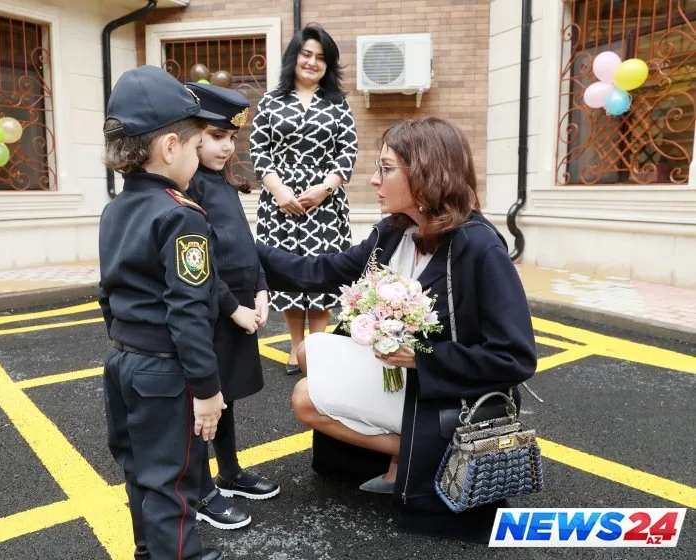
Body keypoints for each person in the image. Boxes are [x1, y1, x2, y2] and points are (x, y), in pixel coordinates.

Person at [256, 117, 538, 543]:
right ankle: (409, 452)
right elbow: (320, 272)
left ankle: (419, 454)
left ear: (425, 174)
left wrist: (421, 356)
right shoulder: (393, 232)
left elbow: (515, 357)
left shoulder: (478, 247)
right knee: (308, 350)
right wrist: (242, 249)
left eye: (386, 168)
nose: (373, 180)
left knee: (304, 397)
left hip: (449, 392)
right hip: (403, 378)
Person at [98, 65, 227, 560]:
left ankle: (150, 552)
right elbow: (190, 313)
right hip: (165, 371)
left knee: (139, 472)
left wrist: (126, 344)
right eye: (196, 146)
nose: (198, 157)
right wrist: (208, 390)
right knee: (172, 480)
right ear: (171, 147)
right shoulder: (180, 215)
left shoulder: (114, 210)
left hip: (122, 361)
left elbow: (106, 293)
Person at [185, 82, 281, 531]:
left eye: (231, 138)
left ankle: (229, 472)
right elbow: (199, 264)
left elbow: (244, 242)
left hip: (240, 305)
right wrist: (231, 308)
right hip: (213, 311)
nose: (226, 147)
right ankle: (200, 488)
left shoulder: (221, 181)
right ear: (192, 136)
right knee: (204, 401)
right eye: (216, 136)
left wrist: (260, 289)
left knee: (226, 397)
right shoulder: (188, 187)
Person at [250, 23, 358, 375]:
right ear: (294, 58)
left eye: (321, 58)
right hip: (280, 204)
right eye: (306, 54)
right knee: (288, 275)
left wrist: (325, 188)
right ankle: (297, 349)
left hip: (325, 205)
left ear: (329, 64)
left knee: (322, 274)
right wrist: (280, 191)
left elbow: (348, 151)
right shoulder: (271, 101)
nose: (312, 62)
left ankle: (318, 347)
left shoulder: (338, 103)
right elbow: (259, 150)